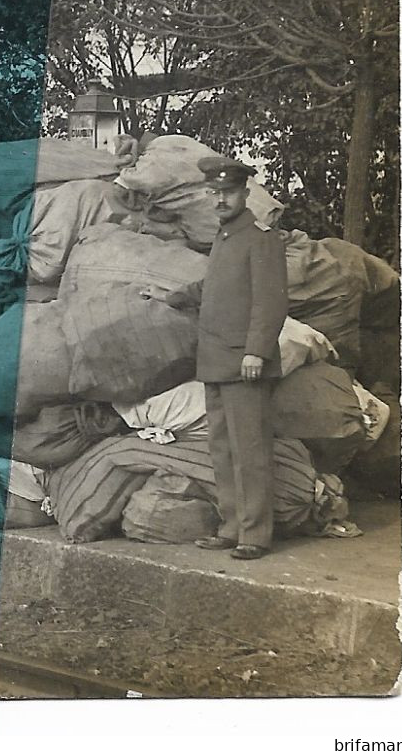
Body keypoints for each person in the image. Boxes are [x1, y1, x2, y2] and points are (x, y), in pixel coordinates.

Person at [151, 156, 288, 561]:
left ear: (245, 194)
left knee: (250, 450)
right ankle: (230, 527)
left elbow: (271, 301)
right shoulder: (224, 238)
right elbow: (211, 287)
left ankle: (255, 534)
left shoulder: (261, 238)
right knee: (222, 449)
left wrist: (256, 352)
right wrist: (169, 297)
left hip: (244, 363)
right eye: (215, 193)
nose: (221, 200)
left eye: (227, 192)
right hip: (214, 360)